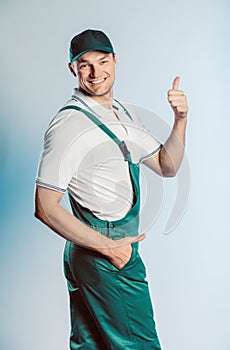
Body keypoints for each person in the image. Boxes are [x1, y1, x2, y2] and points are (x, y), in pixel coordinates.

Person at [34, 29, 188, 349]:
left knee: (91, 346)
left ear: (115, 61)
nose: (96, 72)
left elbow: (166, 165)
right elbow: (45, 206)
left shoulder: (122, 112)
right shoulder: (69, 125)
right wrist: (109, 249)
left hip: (95, 253)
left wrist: (180, 119)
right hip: (104, 249)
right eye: (85, 64)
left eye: (103, 62)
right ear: (72, 69)